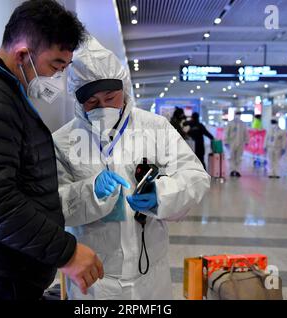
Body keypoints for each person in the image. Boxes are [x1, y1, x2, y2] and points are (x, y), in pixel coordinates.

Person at [0, 0, 103, 300]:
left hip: (2, 272)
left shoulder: (2, 92)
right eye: (55, 66)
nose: (57, 78)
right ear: (23, 54)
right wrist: (66, 253)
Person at [53, 37, 210, 300]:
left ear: (124, 90)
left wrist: (162, 194)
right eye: (92, 102)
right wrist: (89, 191)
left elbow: (195, 176)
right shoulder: (63, 141)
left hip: (150, 274)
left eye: (110, 97)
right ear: (79, 102)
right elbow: (51, 203)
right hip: (94, 282)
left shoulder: (155, 127)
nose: (103, 107)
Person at [225, 111, 249, 177]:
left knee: (239, 157)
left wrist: (247, 141)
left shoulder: (243, 124)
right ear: (234, 114)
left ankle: (237, 170)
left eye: (239, 114)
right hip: (231, 142)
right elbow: (226, 132)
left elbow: (246, 133)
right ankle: (232, 170)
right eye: (237, 114)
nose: (238, 115)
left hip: (241, 143)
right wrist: (226, 141)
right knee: (231, 157)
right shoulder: (230, 123)